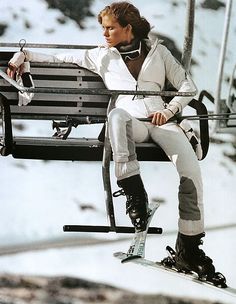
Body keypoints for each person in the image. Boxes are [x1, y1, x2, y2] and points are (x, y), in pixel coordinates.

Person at [7, 1, 217, 279]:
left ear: (128, 28)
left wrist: (169, 110)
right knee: (117, 116)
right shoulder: (101, 56)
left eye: (110, 28)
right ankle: (134, 193)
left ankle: (189, 249)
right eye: (103, 28)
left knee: (190, 172)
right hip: (131, 123)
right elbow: (58, 59)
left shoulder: (159, 52)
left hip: (162, 122)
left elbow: (187, 87)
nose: (104, 34)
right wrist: (22, 55)